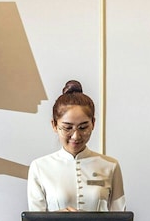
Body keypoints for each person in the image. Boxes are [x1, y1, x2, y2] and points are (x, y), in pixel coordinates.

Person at [27, 80, 126, 212]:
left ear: (93, 123)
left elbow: (120, 219)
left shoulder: (110, 166)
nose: (76, 136)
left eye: (83, 127)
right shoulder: (39, 167)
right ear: (54, 125)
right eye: (67, 128)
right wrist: (56, 218)